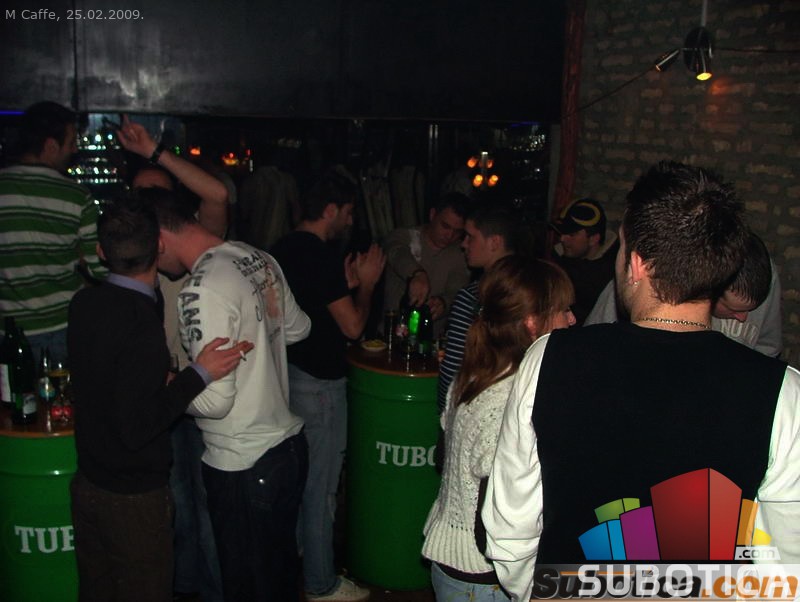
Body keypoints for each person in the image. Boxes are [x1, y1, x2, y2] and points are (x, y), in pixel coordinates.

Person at [482, 161, 800, 602]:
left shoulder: (549, 358)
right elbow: (786, 562)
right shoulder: (782, 391)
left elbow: (510, 527)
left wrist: (546, 592)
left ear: (636, 264)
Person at [67, 195, 250, 602]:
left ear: (101, 252)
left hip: (88, 484)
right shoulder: (139, 323)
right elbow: (139, 427)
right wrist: (199, 373)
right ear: (159, 247)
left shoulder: (84, 303)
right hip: (132, 497)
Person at [147, 186, 312, 602]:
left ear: (160, 241)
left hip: (243, 462)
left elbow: (215, 402)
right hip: (287, 450)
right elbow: (298, 328)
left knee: (249, 589)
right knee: (278, 582)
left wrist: (169, 382)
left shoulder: (200, 289)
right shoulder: (256, 256)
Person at [118, 114, 231, 601]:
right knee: (175, 507)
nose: (148, 204)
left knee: (206, 505)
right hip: (161, 401)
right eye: (141, 196)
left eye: (157, 195)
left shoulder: (194, 244)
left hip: (202, 392)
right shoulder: (127, 256)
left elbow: (218, 196)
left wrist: (154, 151)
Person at [423, 255, 575, 602]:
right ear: (533, 323)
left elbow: (442, 457)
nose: (572, 319)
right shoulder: (512, 400)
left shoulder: (474, 374)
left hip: (453, 563)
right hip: (483, 578)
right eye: (563, 310)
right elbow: (494, 524)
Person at [271, 167, 385, 602]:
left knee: (301, 482)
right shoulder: (318, 255)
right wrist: (367, 287)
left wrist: (346, 285)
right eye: (349, 213)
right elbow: (353, 327)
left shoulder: (280, 249)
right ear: (331, 210)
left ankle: (304, 559)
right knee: (321, 488)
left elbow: (313, 308)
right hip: (319, 385)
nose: (351, 221)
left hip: (287, 377)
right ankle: (320, 584)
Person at [0, 101, 106, 362]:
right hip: (62, 326)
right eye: (71, 143)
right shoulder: (76, 195)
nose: (75, 149)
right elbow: (99, 267)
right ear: (50, 146)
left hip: (7, 330)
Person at [584, 230, 783, 357]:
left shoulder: (765, 275)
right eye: (732, 309)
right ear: (709, 285)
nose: (743, 318)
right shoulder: (641, 285)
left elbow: (768, 349)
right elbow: (591, 346)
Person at [437, 202, 530, 413]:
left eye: (471, 237)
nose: (463, 244)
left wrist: (445, 413)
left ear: (494, 242)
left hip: (475, 410)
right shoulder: (532, 291)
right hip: (519, 409)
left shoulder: (472, 297)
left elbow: (453, 369)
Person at [382, 192, 471, 337]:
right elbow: (396, 252)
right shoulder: (404, 236)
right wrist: (417, 274)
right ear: (432, 215)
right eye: (445, 226)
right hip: (391, 336)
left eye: (457, 231)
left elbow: (458, 289)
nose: (449, 235)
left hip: (431, 341)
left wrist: (444, 303)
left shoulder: (461, 252)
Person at [550, 198, 619, 325]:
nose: (562, 239)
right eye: (562, 233)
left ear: (593, 239)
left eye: (572, 234)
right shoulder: (555, 260)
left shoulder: (610, 275)